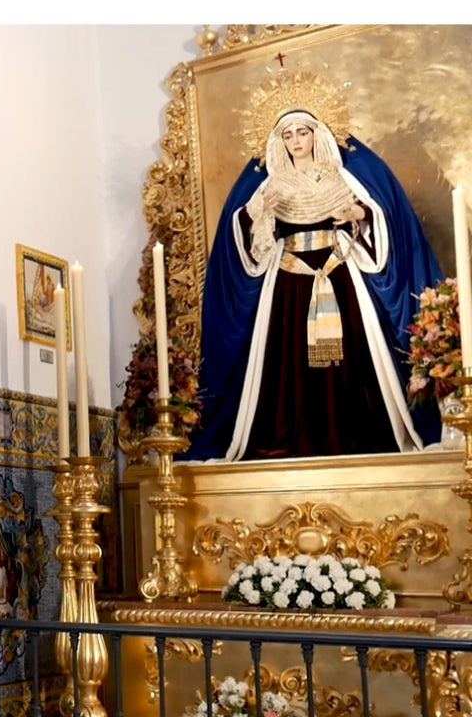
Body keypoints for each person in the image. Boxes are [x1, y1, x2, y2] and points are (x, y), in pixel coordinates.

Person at [187, 108, 443, 461]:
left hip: (338, 273)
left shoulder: (339, 177)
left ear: (316, 135)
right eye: (288, 135)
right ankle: (293, 437)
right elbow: (246, 232)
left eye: (302, 133)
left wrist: (359, 214)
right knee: (287, 361)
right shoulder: (272, 183)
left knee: (352, 358)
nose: (295, 142)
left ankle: (358, 434)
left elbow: (373, 213)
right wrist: (255, 212)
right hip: (289, 282)